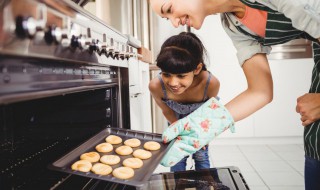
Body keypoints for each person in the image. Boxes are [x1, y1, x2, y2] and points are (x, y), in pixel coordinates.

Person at [148, 0, 320, 189]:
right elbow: (260, 91)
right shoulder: (234, 26)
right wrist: (205, 126)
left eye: (170, 10)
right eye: (167, 18)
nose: (174, 23)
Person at [149, 32, 220, 172]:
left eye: (181, 75)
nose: (173, 83)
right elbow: (166, 110)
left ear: (197, 69)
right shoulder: (156, 86)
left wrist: (202, 135)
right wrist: (179, 132)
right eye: (166, 74)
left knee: (201, 155)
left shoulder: (210, 83)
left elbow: (210, 111)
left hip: (201, 124)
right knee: (176, 156)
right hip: (175, 121)